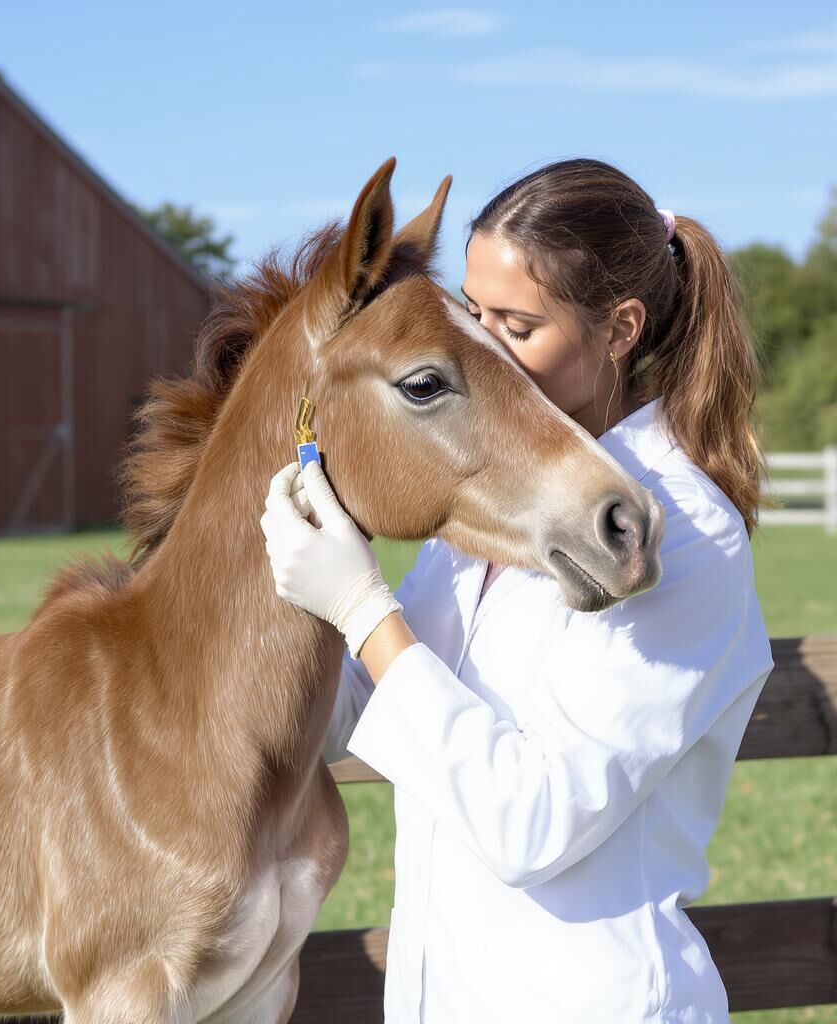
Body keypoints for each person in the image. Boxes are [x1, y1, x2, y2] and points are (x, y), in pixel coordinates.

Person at [259, 158, 774, 1023]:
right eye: (475, 313)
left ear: (620, 330)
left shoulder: (675, 534)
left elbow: (530, 823)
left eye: (519, 325)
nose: (483, 346)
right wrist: (302, 607)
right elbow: (375, 712)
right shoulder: (497, 513)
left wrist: (364, 611)